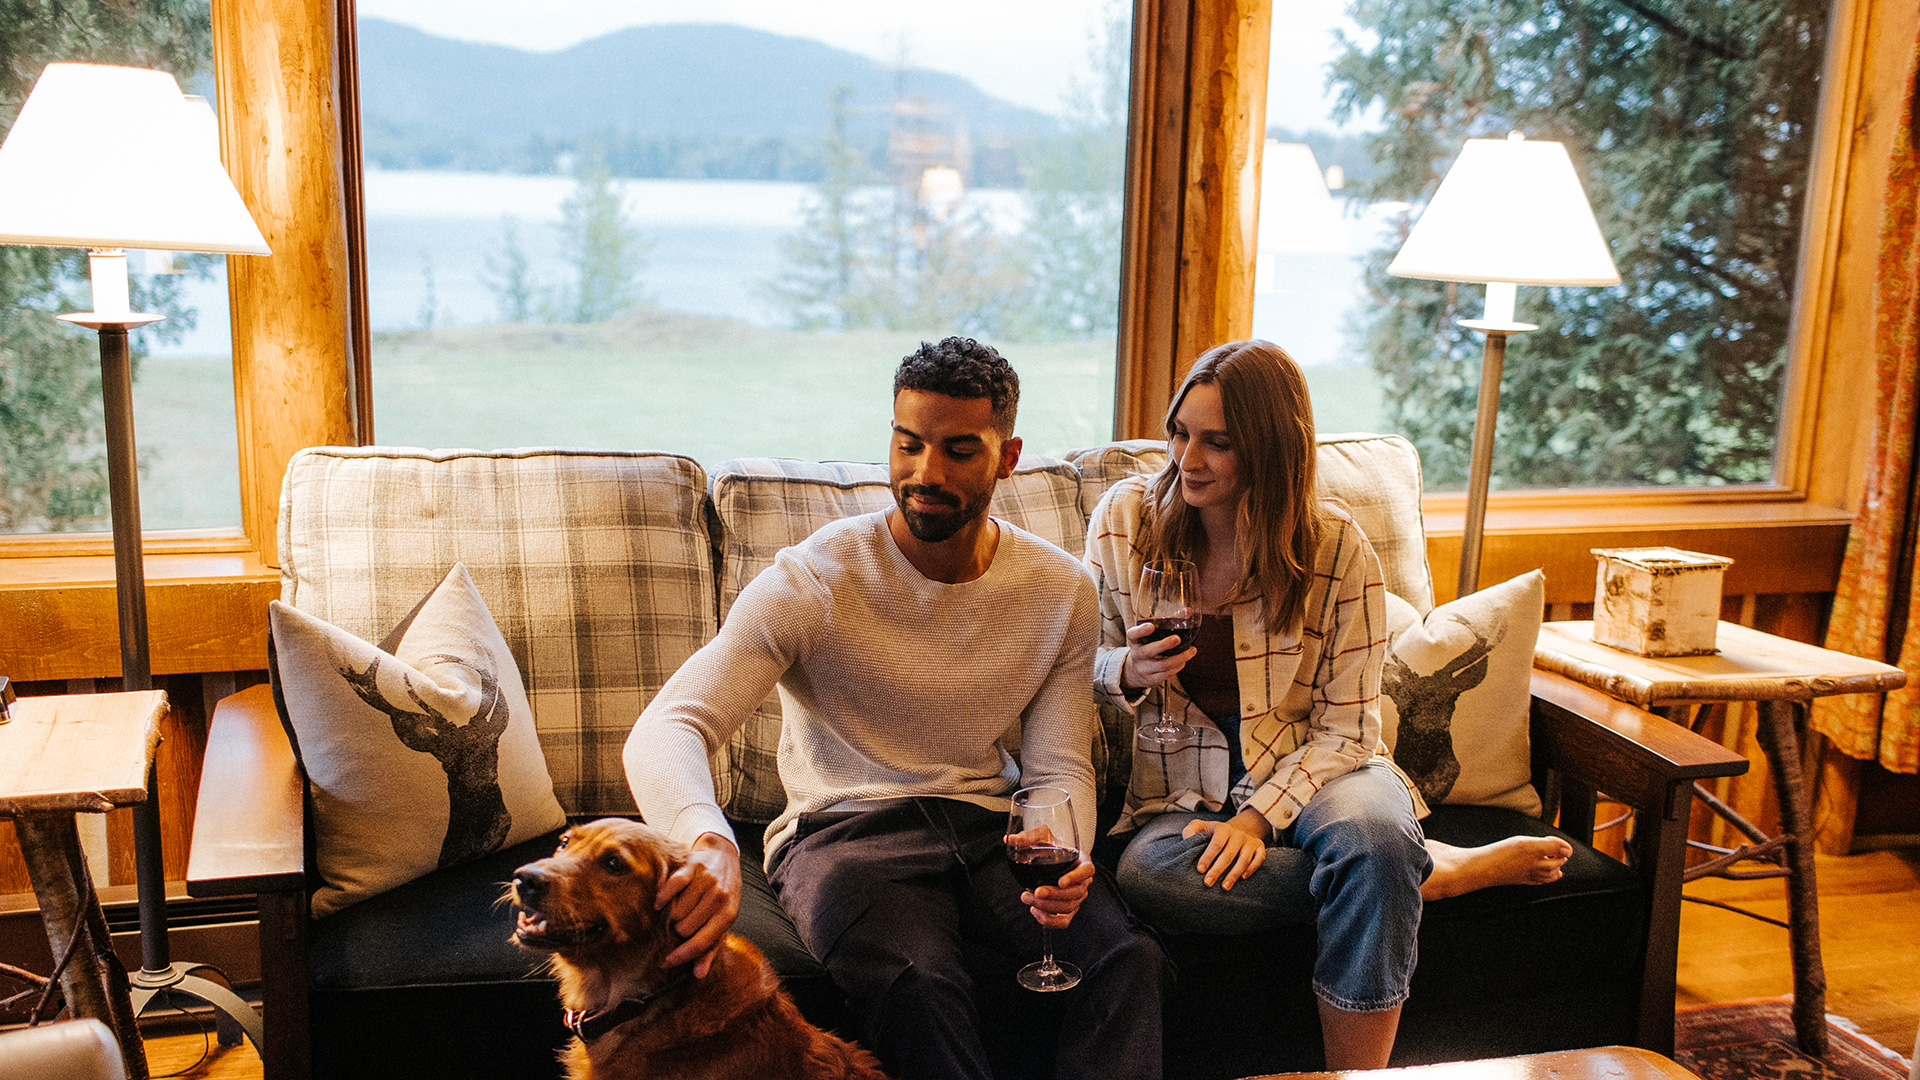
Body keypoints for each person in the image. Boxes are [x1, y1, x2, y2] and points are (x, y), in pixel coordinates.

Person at [626, 336, 1166, 1080]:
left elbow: (1059, 763)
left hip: (989, 830)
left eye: (958, 451)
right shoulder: (815, 578)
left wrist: (1067, 844)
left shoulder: (1059, 589)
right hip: (843, 834)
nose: (925, 474)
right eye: (908, 445)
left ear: (1007, 458)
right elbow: (669, 725)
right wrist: (706, 841)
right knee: (920, 984)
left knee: (1125, 961)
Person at [1085, 339, 1571, 1070]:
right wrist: (1128, 667)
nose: (1188, 459)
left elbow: (1347, 729)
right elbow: (1077, 665)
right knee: (1148, 878)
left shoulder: (1338, 549)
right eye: (1180, 432)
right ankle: (1423, 874)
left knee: (1373, 839)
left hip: (1324, 768)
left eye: (1218, 443)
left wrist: (1257, 816)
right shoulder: (1126, 521)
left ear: (1274, 449)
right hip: (1183, 788)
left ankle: (1355, 1067)